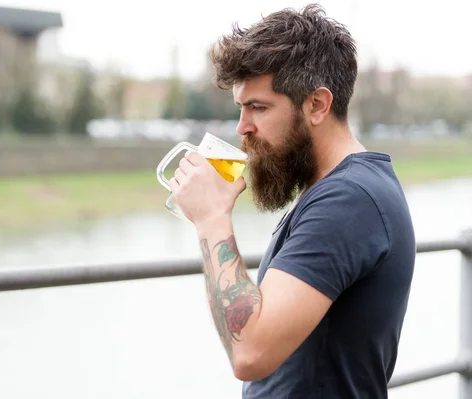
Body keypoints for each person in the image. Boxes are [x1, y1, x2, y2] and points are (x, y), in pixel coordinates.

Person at [169, 4, 416, 398]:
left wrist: (212, 218)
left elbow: (250, 351)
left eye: (259, 107)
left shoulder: (349, 201)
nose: (242, 126)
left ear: (317, 105)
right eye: (241, 107)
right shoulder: (337, 191)